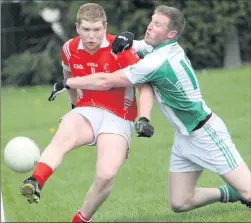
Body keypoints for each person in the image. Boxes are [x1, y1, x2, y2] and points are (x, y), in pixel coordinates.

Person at [51, 5, 251, 213]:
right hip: (184, 137)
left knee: (250, 192)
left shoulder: (158, 61)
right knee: (180, 202)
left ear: (171, 34)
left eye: (157, 25)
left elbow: (105, 80)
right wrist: (125, 38)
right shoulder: (162, 48)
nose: (149, 27)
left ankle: (243, 192)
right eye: (151, 21)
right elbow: (137, 46)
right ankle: (231, 193)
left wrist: (69, 82)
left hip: (205, 133)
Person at [20, 3, 154, 222]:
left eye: (97, 30)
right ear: (77, 28)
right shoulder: (68, 48)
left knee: (106, 175)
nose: (91, 36)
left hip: (119, 116)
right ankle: (36, 181)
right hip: (87, 110)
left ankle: (80, 219)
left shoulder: (120, 48)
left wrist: (145, 118)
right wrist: (74, 109)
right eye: (86, 30)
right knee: (64, 135)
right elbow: (68, 78)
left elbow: (145, 86)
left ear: (105, 27)